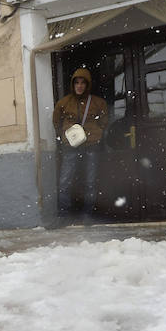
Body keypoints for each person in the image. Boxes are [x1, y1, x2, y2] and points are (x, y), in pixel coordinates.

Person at [51, 66, 108, 218]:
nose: (80, 86)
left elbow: (104, 122)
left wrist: (94, 134)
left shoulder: (98, 103)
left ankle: (88, 215)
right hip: (71, 146)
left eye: (83, 83)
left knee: (90, 181)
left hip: (91, 146)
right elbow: (56, 122)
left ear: (87, 84)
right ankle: (64, 215)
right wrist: (65, 136)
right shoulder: (63, 103)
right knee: (65, 182)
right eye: (77, 82)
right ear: (73, 84)